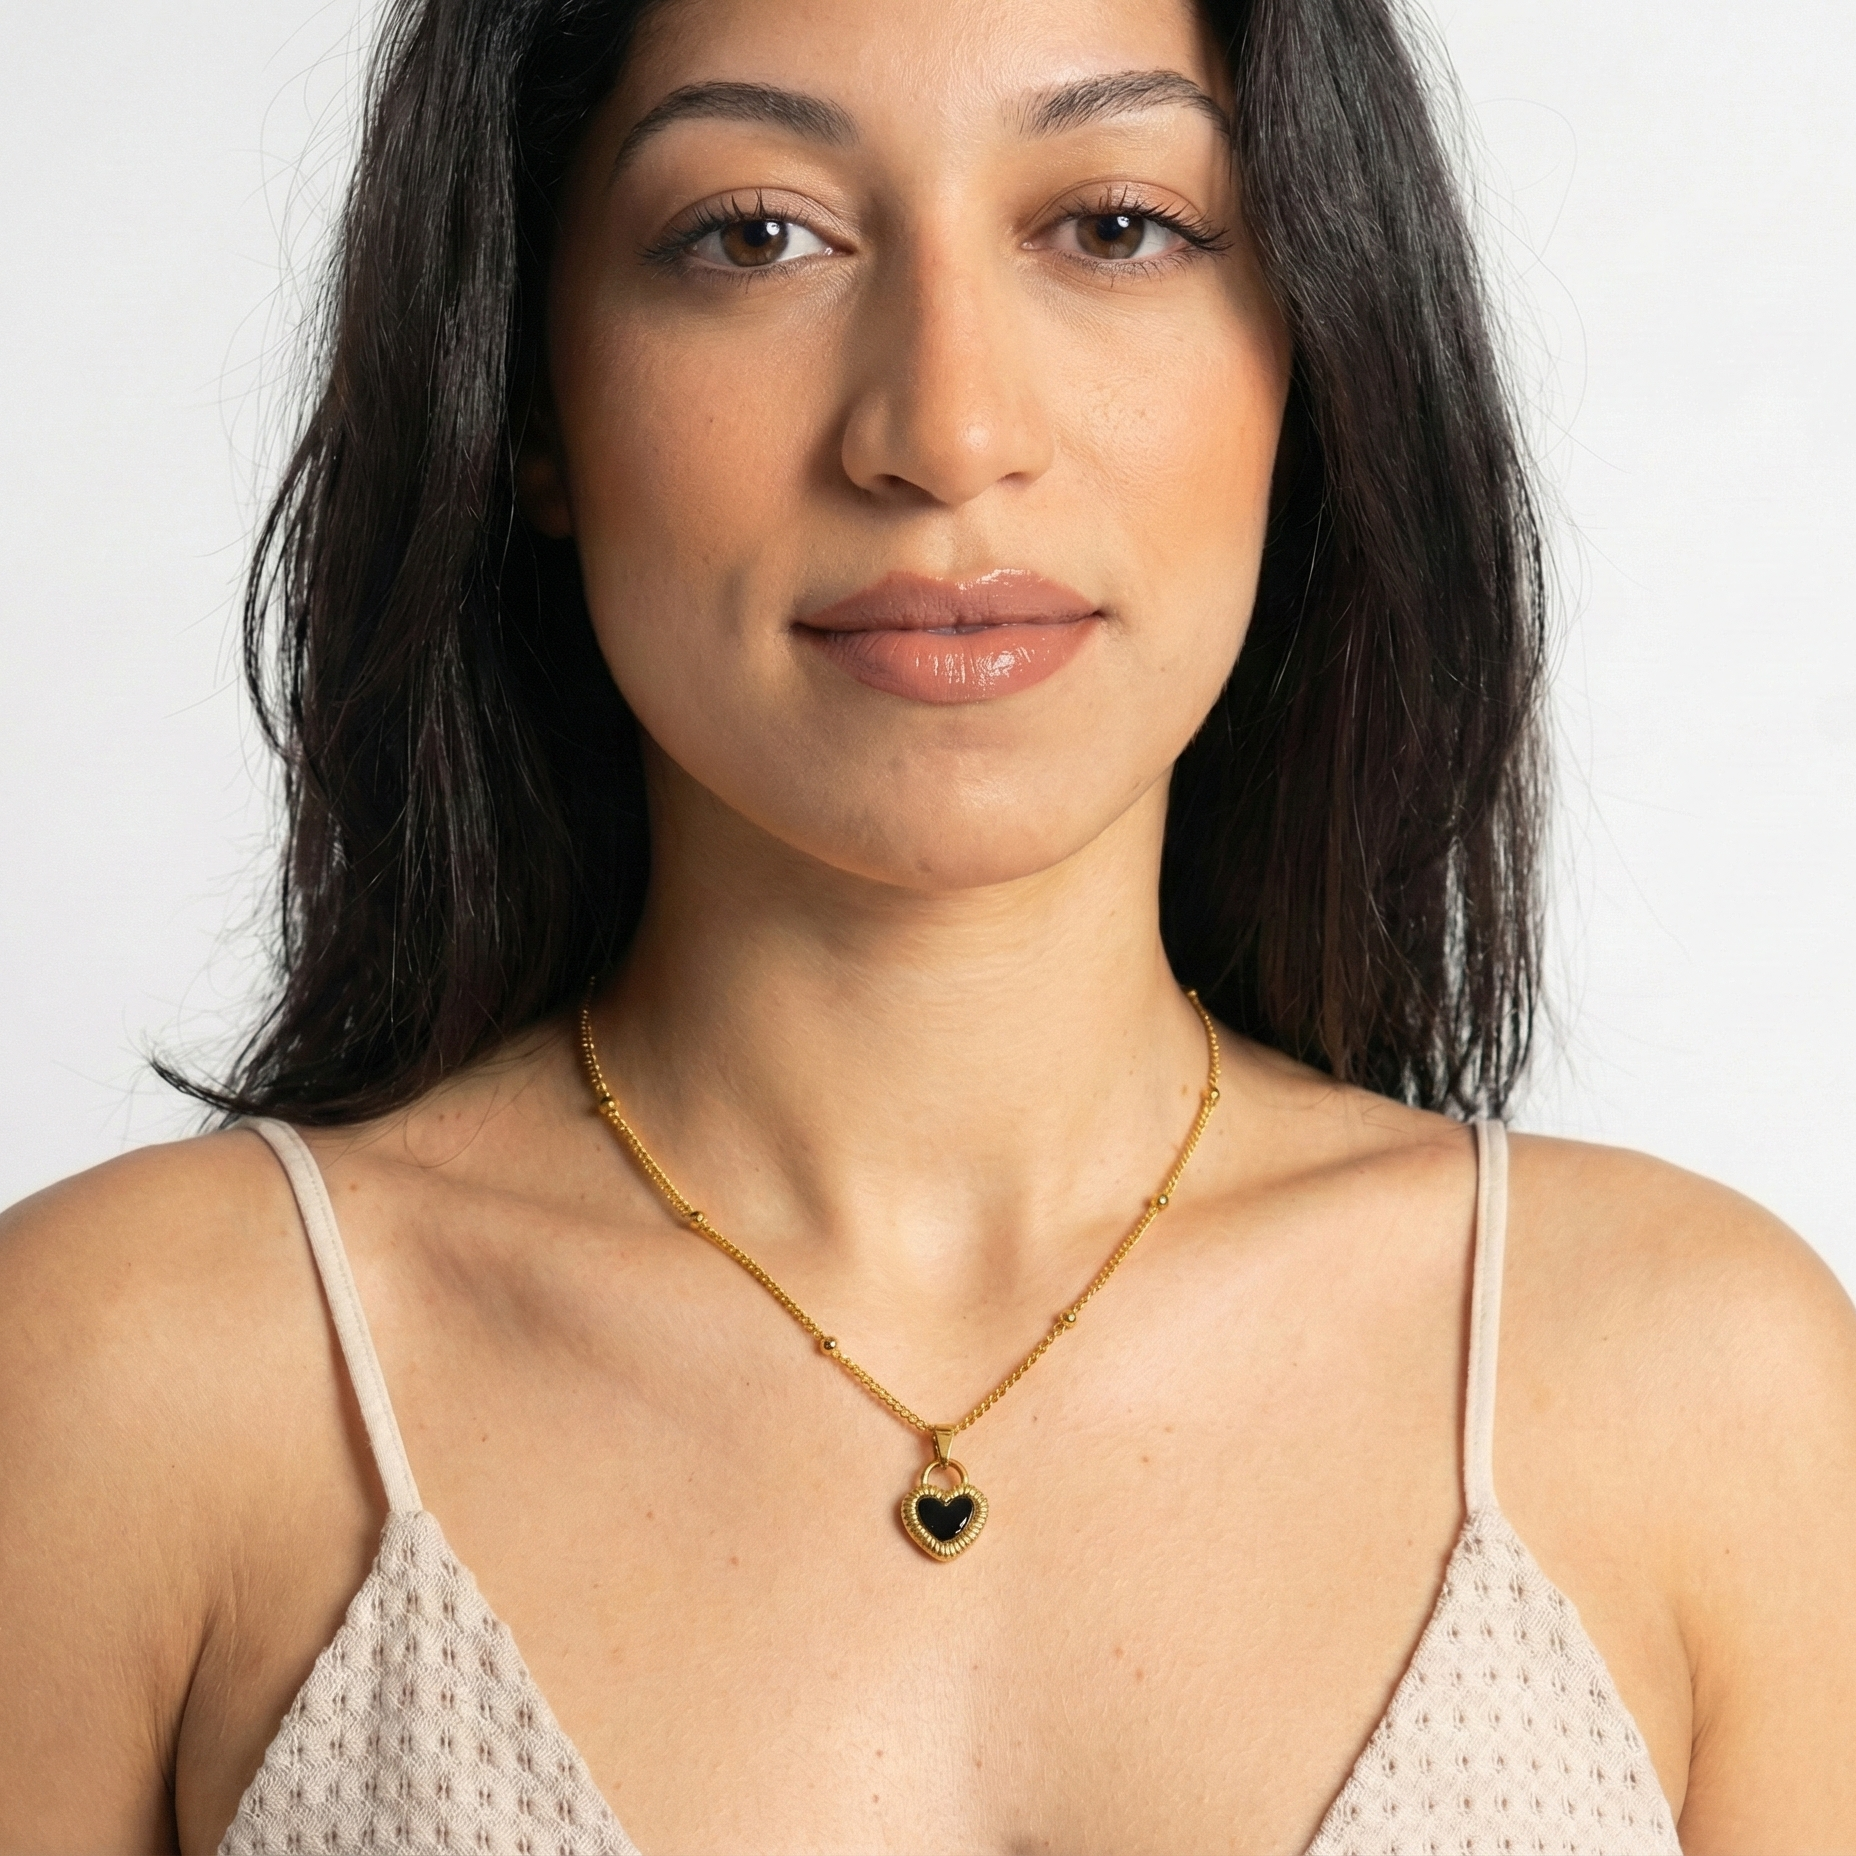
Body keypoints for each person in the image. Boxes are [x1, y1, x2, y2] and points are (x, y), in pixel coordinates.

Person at [3, 0, 1853, 1848]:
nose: (947, 434)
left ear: (1316, 347)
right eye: (756, 234)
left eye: (1115, 226)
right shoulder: (127, 1388)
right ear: (529, 398)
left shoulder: (1698, 1392)